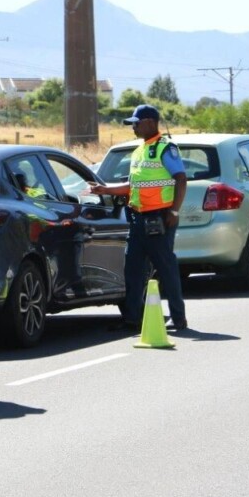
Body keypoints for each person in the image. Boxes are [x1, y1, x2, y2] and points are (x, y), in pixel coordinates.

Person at [88, 104, 188, 332]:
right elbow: (134, 185)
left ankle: (178, 318)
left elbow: (181, 179)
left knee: (166, 268)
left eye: (136, 123)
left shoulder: (165, 148)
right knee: (132, 269)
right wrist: (105, 190)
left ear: (150, 122)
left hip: (159, 218)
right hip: (137, 219)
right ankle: (132, 318)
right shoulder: (139, 150)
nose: (133, 127)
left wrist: (174, 211)